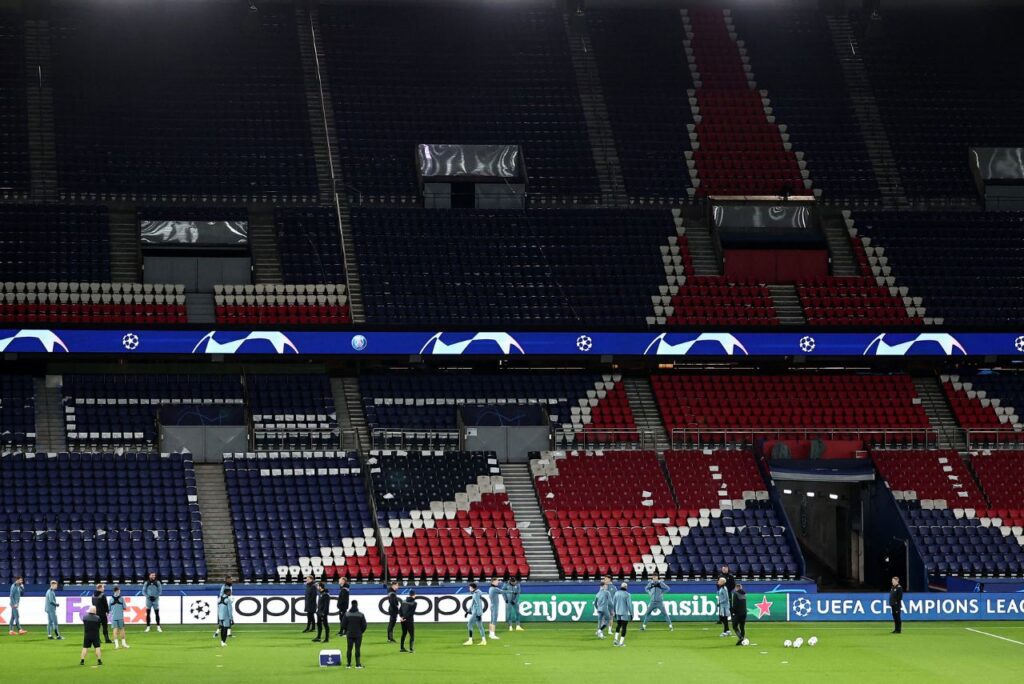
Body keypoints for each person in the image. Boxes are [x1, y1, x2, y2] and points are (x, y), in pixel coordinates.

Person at [341, 600, 367, 669]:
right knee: (357, 649)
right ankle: (358, 664)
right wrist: (361, 631)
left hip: (349, 634)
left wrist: (347, 630)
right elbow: (364, 625)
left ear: (351, 604)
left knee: (349, 649)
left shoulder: (347, 614)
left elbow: (343, 624)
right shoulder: (361, 614)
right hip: (358, 634)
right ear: (357, 605)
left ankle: (348, 664)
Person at [463, 581, 486, 646]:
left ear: (472, 588)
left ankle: (470, 640)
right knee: (480, 626)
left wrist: (478, 614)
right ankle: (484, 640)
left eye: (469, 587)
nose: (469, 588)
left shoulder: (475, 594)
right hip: (476, 612)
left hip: (476, 612)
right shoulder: (477, 593)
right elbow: (473, 603)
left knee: (469, 624)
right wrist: (468, 611)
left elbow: (478, 604)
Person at [611, 581, 632, 647]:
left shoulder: (616, 593)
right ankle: (621, 642)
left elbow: (613, 603)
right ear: (626, 587)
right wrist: (631, 613)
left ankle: (615, 640)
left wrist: (614, 611)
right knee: (624, 627)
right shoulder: (627, 594)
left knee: (618, 625)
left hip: (617, 612)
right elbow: (629, 605)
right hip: (624, 613)